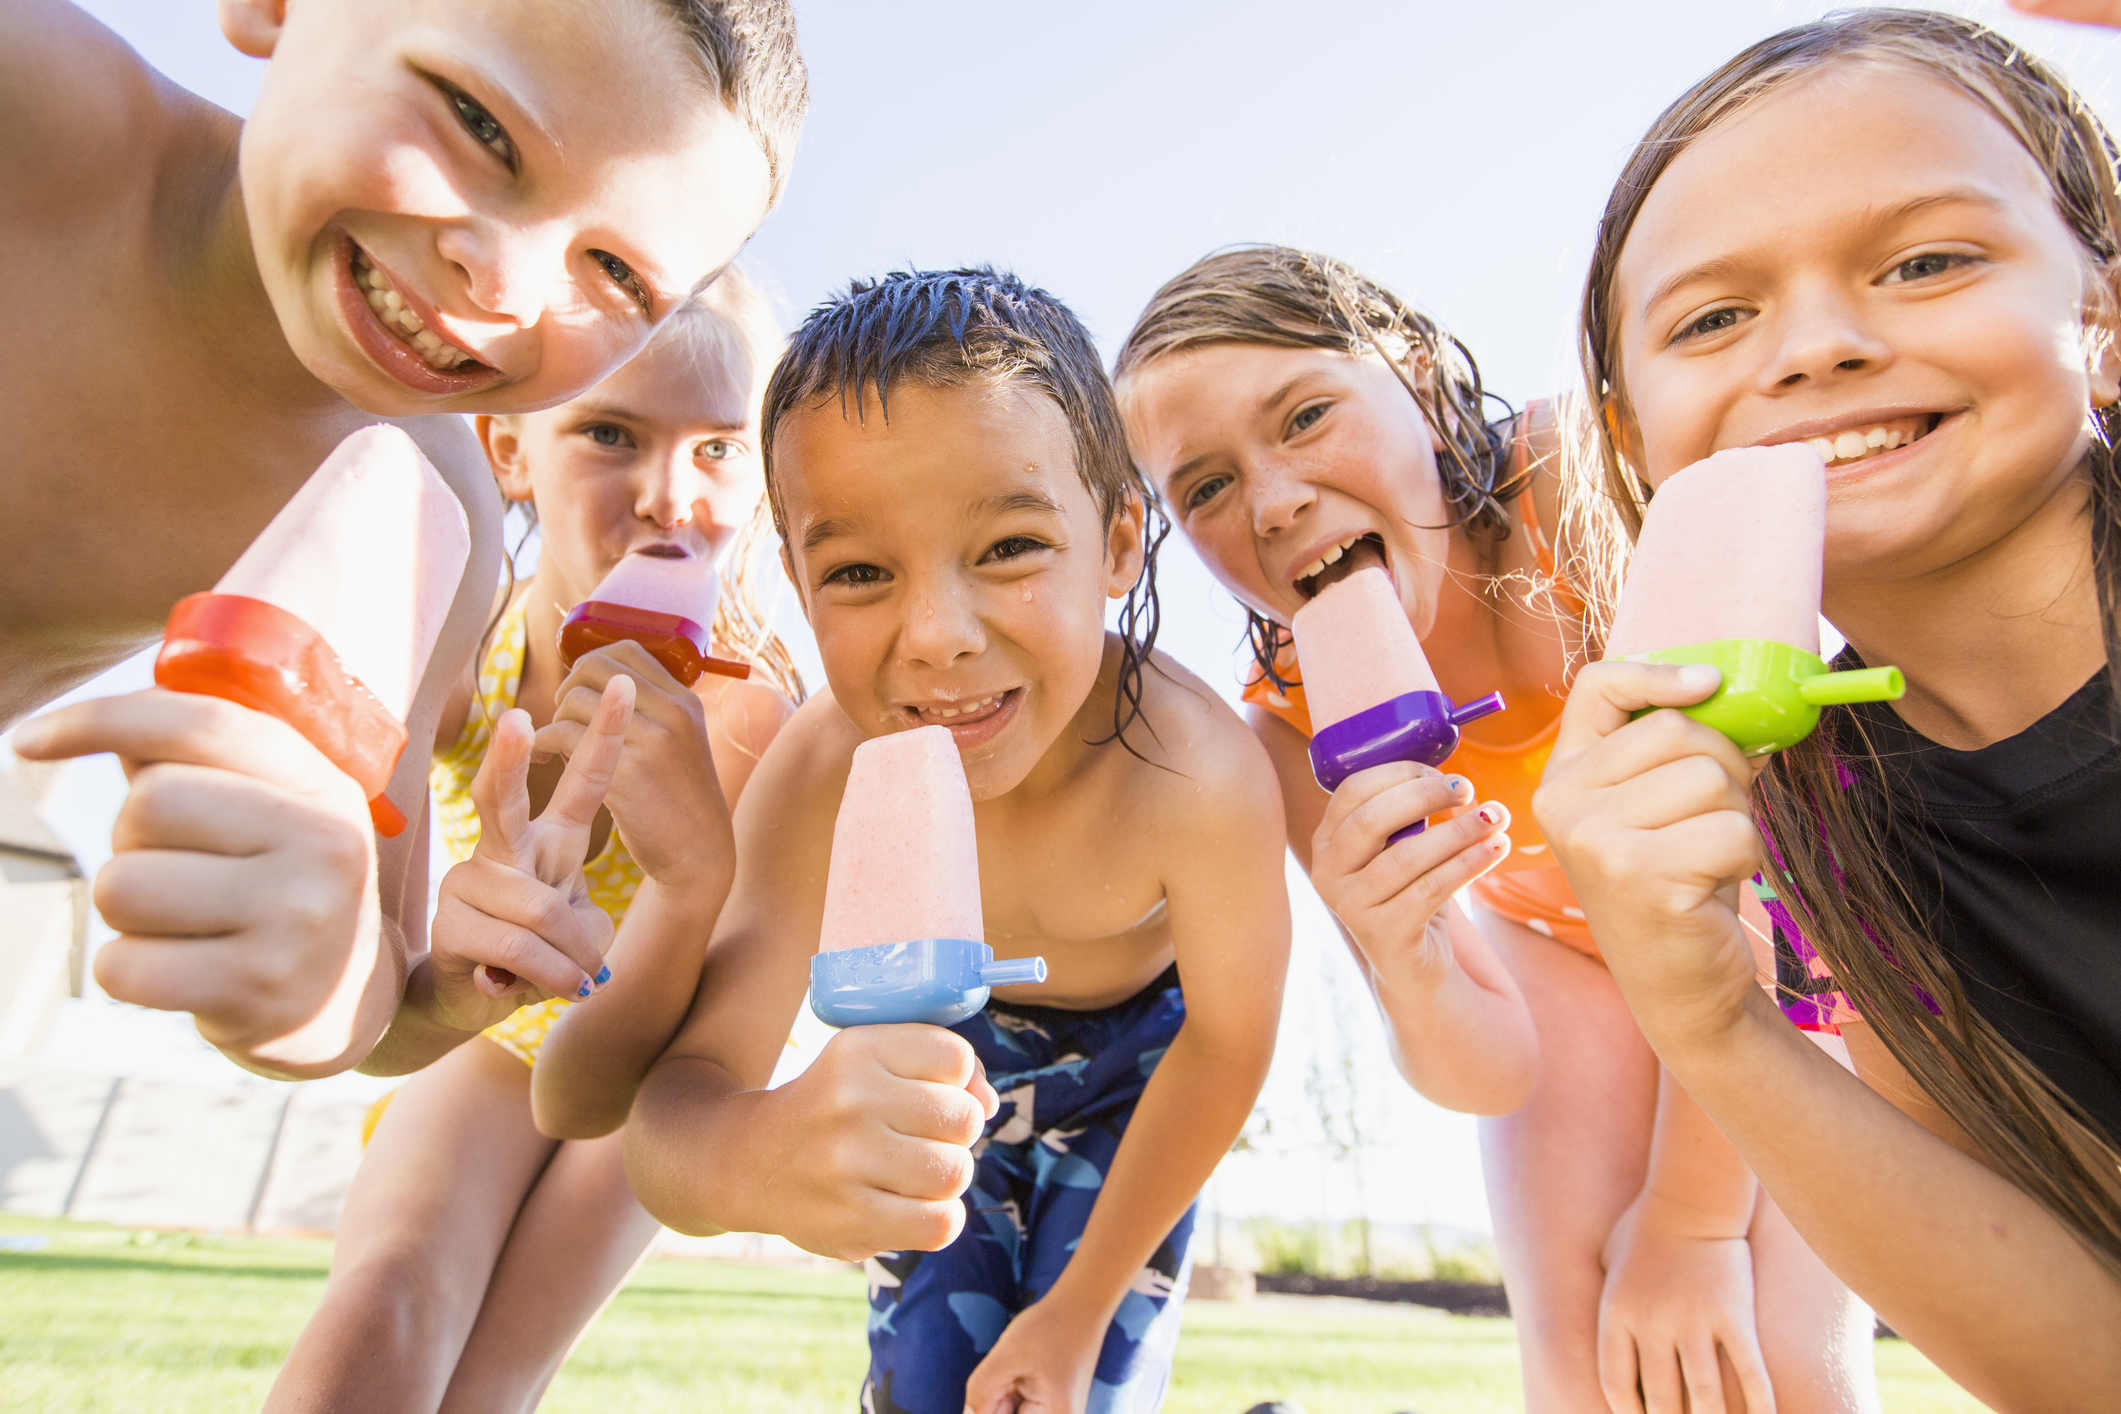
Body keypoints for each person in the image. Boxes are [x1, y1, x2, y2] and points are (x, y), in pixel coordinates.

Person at [1116, 246, 1875, 1414]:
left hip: (1791, 928)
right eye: (1204, 487)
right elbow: (1485, 1064)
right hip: (1557, 943)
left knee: (1773, 1359)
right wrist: (1410, 962)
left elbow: (1766, 877)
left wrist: (1690, 1219)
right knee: (1580, 1376)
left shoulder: (1580, 490)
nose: (1272, 503)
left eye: (1306, 416)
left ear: (1418, 380)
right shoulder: (1286, 718)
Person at [2, 0, 805, 1079]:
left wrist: (343, 977)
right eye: (477, 122)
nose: (505, 287)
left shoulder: (435, 517)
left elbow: (377, 1006)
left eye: (616, 275)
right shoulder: (32, 109)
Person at [550, 268, 1291, 1414]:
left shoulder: (1200, 774)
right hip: (940, 1064)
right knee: (928, 1395)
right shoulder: (820, 771)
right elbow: (671, 1121)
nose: (939, 637)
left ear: (1121, 543)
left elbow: (1230, 1048)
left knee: (1081, 1392)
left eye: (1010, 547)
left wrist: (1076, 1309)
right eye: (858, 573)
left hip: (1150, 1074)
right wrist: (761, 1156)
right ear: (794, 580)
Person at [1535, 10, 2121, 1409]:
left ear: (2101, 322)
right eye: (1713, 318)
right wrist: (1708, 1024)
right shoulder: (1828, 815)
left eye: (1927, 260)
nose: (1817, 346)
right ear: (1628, 431)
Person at [265, 275, 801, 1413]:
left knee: (491, 1382)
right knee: (383, 1303)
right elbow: (373, 921)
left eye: (719, 451)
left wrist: (683, 877)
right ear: (508, 450)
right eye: (611, 433)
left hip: (660, 1054)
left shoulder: (754, 720)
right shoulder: (467, 649)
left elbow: (682, 1016)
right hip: (488, 1027)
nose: (671, 496)